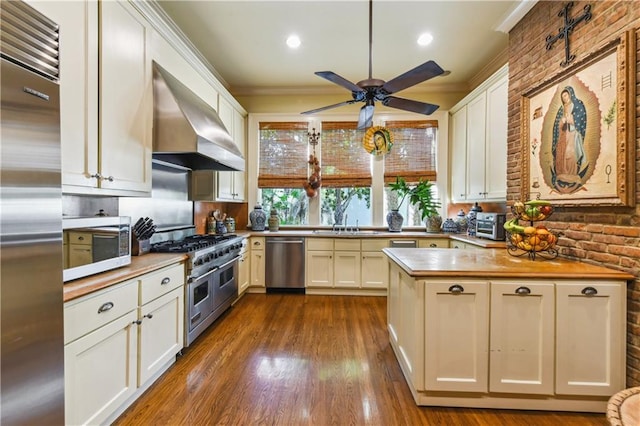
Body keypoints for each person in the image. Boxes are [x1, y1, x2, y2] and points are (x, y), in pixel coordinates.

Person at [551, 85, 588, 190]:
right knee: (560, 154)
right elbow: (557, 125)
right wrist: (561, 122)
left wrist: (570, 119)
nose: (565, 98)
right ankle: (561, 174)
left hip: (572, 133)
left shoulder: (577, 106)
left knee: (570, 153)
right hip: (563, 135)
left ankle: (571, 175)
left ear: (570, 95)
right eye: (563, 97)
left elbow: (580, 119)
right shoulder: (561, 110)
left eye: (566, 96)